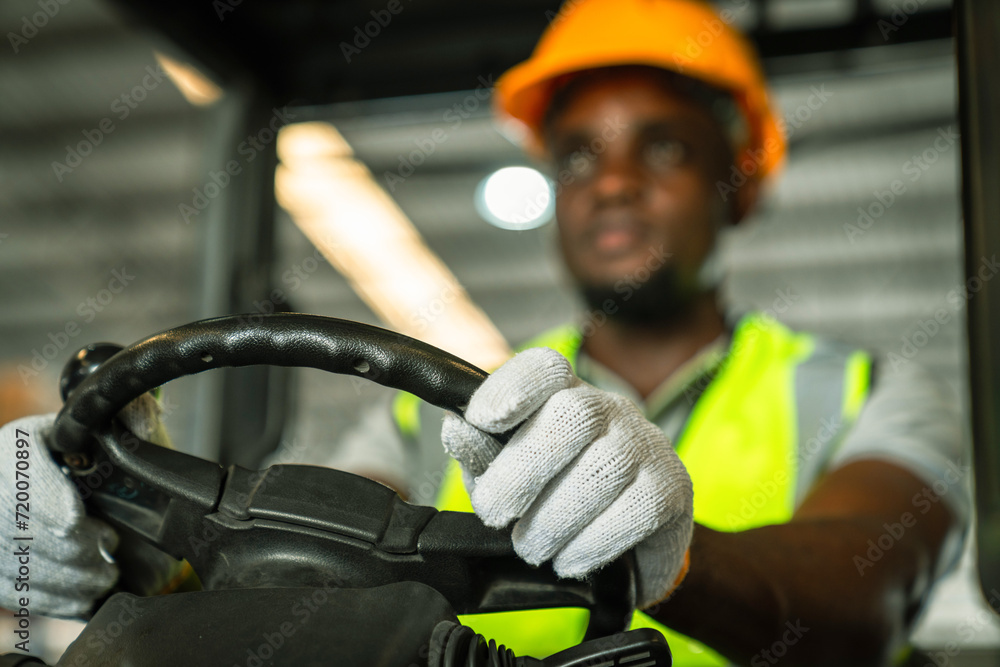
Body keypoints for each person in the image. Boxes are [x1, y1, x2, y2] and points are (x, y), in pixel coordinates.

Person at [0, 1, 968, 665]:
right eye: (578, 155)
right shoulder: (445, 408)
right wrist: (141, 540)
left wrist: (676, 560)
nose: (613, 181)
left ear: (741, 183)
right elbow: (300, 550)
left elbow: (860, 606)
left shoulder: (864, 390)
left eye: (664, 146)